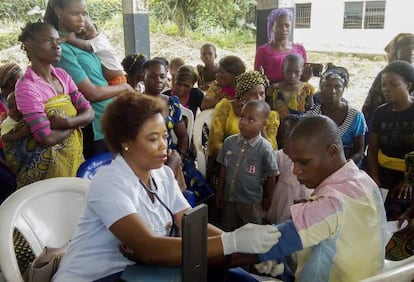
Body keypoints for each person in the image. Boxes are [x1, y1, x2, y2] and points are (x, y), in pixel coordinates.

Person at [52, 92, 282, 281]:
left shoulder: (162, 175)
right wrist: (233, 243)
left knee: (237, 278)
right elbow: (149, 250)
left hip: (144, 273)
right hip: (100, 276)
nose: (164, 146)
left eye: (164, 136)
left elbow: (191, 224)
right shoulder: (109, 183)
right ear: (125, 141)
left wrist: (250, 249)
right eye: (153, 139)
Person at [257, 115, 387, 282]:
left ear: (332, 151)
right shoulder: (365, 181)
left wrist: (228, 242)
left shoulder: (330, 203)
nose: (296, 170)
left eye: (304, 162)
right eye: (293, 162)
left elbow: (259, 247)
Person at [5, 21, 94, 189]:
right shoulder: (26, 87)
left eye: (57, 40)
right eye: (47, 40)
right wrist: (76, 124)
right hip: (46, 173)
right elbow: (46, 138)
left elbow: (89, 113)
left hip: (72, 162)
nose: (56, 45)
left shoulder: (62, 76)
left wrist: (67, 122)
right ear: (29, 45)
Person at [44, 0, 133, 159]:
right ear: (58, 11)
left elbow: (107, 73)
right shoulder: (61, 49)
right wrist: (124, 88)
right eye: (75, 13)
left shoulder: (83, 43)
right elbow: (91, 92)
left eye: (84, 13)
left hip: (110, 122)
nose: (81, 19)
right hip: (94, 127)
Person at [216, 100, 278, 231]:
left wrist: (268, 198)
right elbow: (223, 167)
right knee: (228, 229)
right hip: (230, 198)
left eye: (251, 120)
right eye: (242, 117)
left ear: (263, 124)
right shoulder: (229, 142)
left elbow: (272, 175)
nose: (243, 122)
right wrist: (220, 192)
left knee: (252, 232)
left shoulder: (265, 148)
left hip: (251, 202)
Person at [367, 61, 414, 220]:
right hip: (383, 171)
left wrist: (409, 180)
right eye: (383, 84)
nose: (386, 89)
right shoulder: (380, 113)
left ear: (408, 84)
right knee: (371, 208)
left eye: (393, 84)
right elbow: (372, 150)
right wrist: (375, 179)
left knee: (396, 211)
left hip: (410, 173)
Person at [208, 70, 280, 161]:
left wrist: (260, 126)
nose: (259, 99)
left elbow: (272, 150)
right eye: (253, 94)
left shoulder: (270, 116)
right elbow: (215, 142)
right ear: (241, 96)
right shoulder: (226, 107)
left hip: (256, 163)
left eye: (262, 94)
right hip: (228, 159)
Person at [306, 65, 366, 165]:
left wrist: (344, 165)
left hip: (347, 163)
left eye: (338, 87)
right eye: (328, 86)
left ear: (344, 89)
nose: (333, 91)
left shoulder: (355, 115)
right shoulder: (313, 114)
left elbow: (359, 151)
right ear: (321, 88)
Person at [267, 114, 312, 224]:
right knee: (280, 217)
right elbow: (272, 175)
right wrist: (269, 195)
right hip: (282, 192)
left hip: (301, 192)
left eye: (292, 137)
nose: (287, 140)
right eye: (285, 136)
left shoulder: (307, 156)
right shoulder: (278, 155)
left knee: (298, 220)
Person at [362, 33, 414, 127]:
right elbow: (370, 109)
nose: (411, 52)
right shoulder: (386, 75)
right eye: (406, 49)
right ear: (396, 52)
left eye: (413, 48)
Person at [142, 59, 189, 155]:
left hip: (167, 155)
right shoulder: (134, 104)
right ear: (143, 76)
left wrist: (180, 157)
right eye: (152, 76)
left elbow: (183, 136)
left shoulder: (171, 103)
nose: (158, 80)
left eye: (162, 76)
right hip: (143, 157)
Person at [254, 8, 310, 85]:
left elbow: (303, 76)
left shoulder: (300, 49)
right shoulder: (263, 51)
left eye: (287, 25)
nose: (284, 29)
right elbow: (257, 79)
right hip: (272, 94)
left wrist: (306, 78)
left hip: (296, 94)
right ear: (272, 27)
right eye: (279, 26)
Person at [267, 53, 315, 120]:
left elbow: (311, 110)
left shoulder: (307, 89)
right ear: (283, 69)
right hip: (278, 128)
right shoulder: (275, 89)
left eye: (297, 72)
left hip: (299, 127)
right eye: (289, 71)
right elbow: (270, 112)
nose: (292, 75)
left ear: (302, 71)